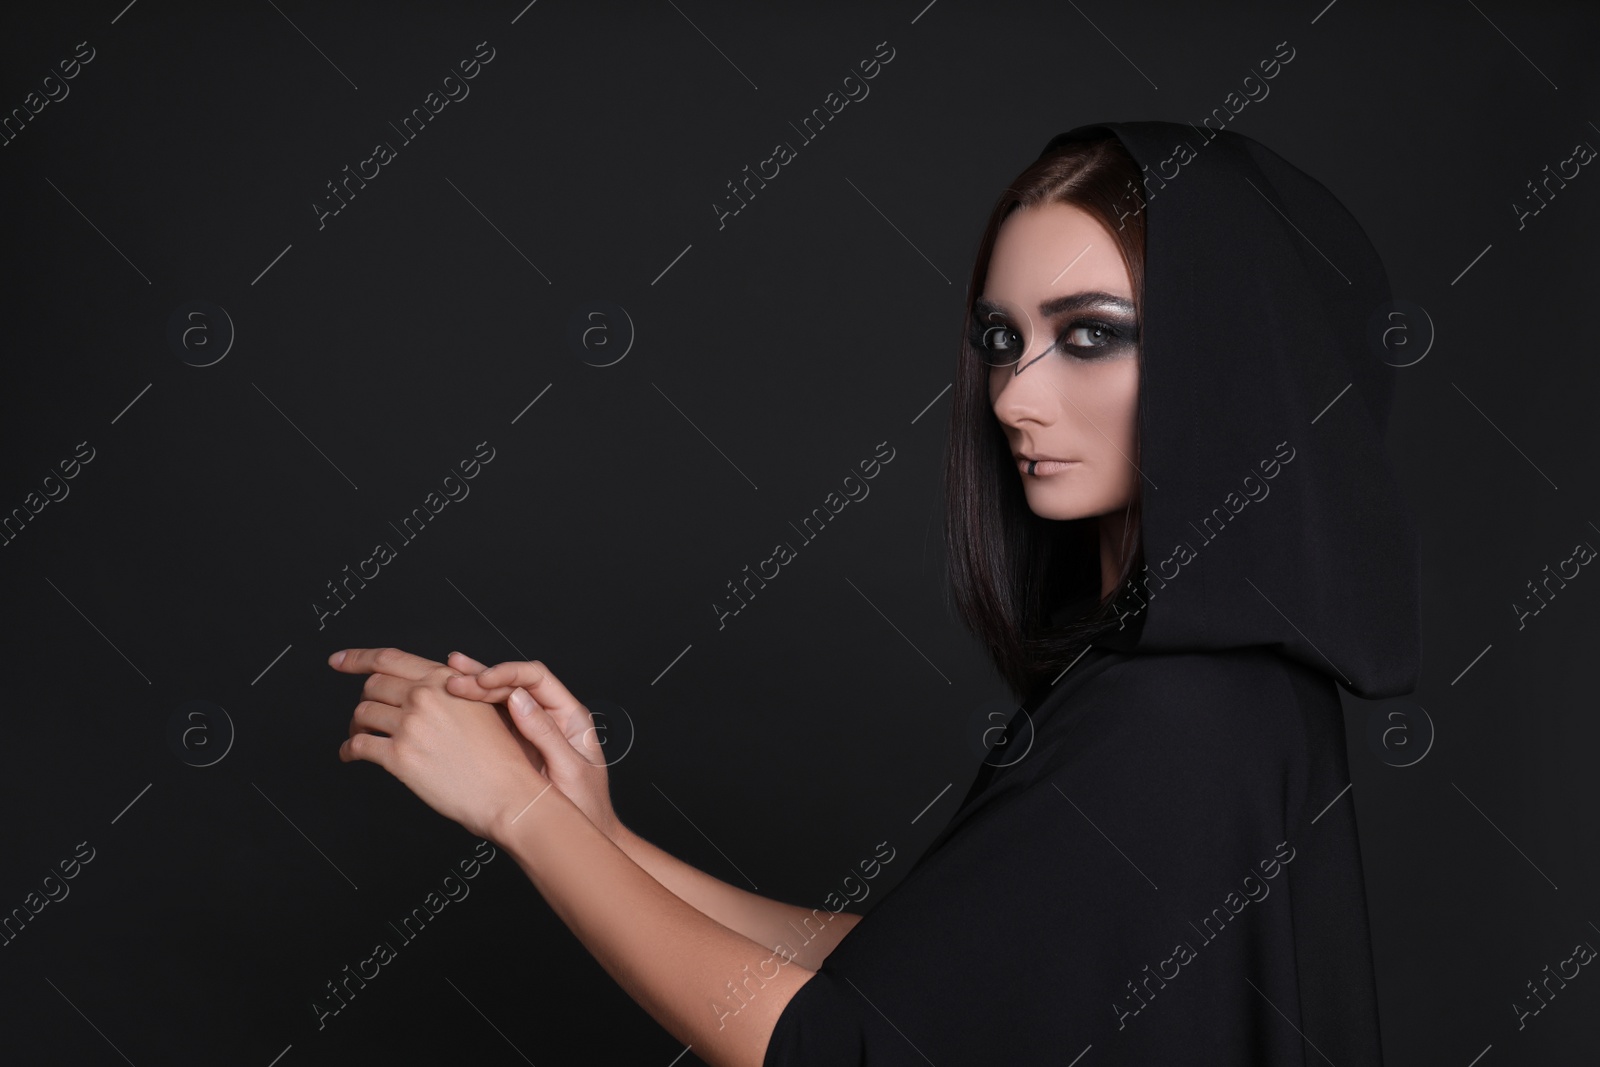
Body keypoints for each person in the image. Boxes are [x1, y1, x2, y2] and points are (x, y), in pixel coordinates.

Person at [330, 119, 1421, 1065]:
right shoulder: (1197, 685)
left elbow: (832, 1048)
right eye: (1002, 340)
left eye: (1088, 335)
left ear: (1225, 363)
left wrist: (518, 815)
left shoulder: (1180, 716)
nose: (1012, 395)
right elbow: (913, 986)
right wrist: (595, 826)